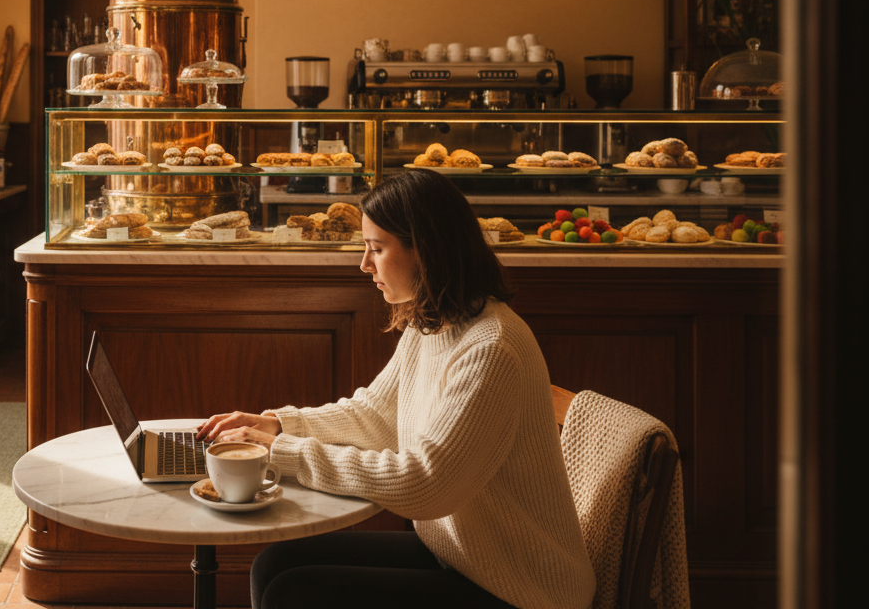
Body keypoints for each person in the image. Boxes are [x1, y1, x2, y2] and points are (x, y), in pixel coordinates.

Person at [198, 171, 595, 609]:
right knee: (273, 566)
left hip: (521, 587)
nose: (364, 265)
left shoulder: (491, 347)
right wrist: (277, 424)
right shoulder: (435, 322)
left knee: (293, 592)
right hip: (462, 555)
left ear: (425, 250)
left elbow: (426, 484)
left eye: (377, 248)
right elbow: (374, 415)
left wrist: (282, 451)